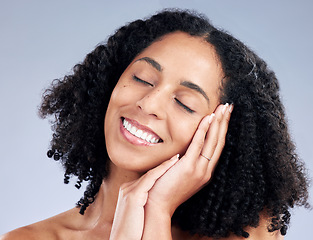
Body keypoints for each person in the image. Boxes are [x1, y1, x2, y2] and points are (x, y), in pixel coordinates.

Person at [1, 9, 309, 240]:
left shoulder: (248, 235)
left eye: (185, 103)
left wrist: (158, 210)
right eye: (141, 78)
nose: (148, 104)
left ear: (221, 134)